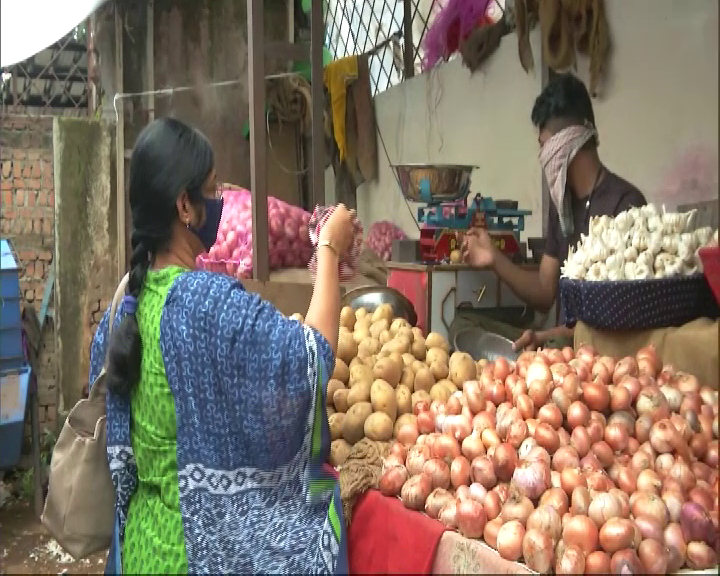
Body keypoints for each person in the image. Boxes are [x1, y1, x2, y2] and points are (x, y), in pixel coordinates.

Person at [88, 117, 355, 574]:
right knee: (319, 518)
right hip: (199, 559)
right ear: (184, 206)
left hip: (142, 549)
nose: (220, 202)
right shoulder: (208, 306)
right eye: (213, 192)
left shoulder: (122, 310)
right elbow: (311, 358)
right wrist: (329, 247)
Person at [461, 72, 646, 351]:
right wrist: (494, 260)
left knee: (550, 343)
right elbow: (544, 293)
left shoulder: (625, 205)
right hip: (553, 343)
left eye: (544, 145)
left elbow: (619, 320)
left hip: (593, 350)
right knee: (463, 323)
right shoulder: (561, 206)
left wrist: (545, 337)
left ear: (566, 144)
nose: (542, 156)